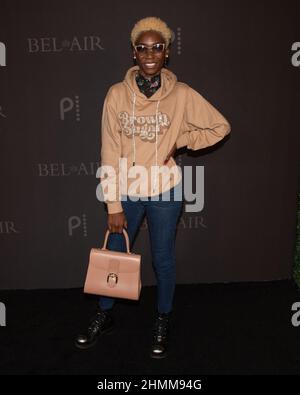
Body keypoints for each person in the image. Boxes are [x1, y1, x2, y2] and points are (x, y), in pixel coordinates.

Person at [75, 16, 231, 358]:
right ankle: (105, 313)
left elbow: (220, 127)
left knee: (163, 259)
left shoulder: (183, 94)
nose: (150, 53)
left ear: (167, 53)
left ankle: (163, 318)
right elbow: (109, 150)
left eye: (157, 47)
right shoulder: (116, 94)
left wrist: (182, 141)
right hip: (127, 191)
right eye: (142, 48)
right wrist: (113, 203)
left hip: (166, 191)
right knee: (115, 254)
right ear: (134, 53)